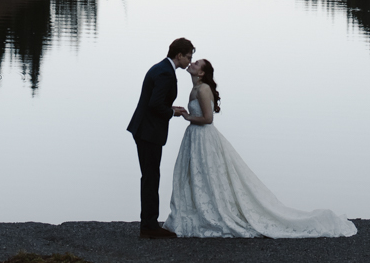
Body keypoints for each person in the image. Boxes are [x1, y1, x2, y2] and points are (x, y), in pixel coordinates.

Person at [166, 58, 356, 238]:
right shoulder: (195, 88)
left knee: (209, 175)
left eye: (197, 63)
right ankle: (198, 212)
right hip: (194, 138)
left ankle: (216, 213)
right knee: (199, 177)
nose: (193, 62)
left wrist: (189, 117)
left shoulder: (203, 89)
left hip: (204, 138)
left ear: (201, 73)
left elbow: (208, 119)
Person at [125, 36, 193, 239]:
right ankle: (149, 226)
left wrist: (170, 108)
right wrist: (173, 112)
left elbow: (155, 102)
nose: (189, 61)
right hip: (149, 132)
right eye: (188, 57)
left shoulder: (160, 68)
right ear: (179, 55)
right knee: (151, 177)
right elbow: (155, 105)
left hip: (144, 129)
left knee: (149, 175)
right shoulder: (165, 73)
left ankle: (149, 222)